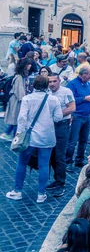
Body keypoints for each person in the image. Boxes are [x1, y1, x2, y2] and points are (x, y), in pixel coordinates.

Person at [5, 75, 63, 203]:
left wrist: (19, 133)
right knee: (43, 165)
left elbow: (22, 118)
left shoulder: (27, 99)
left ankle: (18, 191)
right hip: (47, 137)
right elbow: (58, 117)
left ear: (33, 85)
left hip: (29, 137)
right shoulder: (53, 100)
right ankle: (41, 194)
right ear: (46, 85)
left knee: (22, 163)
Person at [46, 73, 76, 197]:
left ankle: (61, 184)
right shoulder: (46, 92)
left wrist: (57, 115)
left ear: (59, 81)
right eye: (50, 82)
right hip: (48, 126)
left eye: (54, 81)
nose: (52, 84)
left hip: (61, 125)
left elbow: (72, 107)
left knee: (59, 155)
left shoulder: (66, 91)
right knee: (52, 155)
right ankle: (56, 179)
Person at [66, 67, 90, 171]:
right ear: (83, 74)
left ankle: (79, 160)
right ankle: (67, 161)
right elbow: (69, 100)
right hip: (77, 115)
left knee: (84, 140)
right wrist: (84, 98)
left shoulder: (88, 83)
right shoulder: (72, 84)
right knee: (72, 140)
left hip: (87, 116)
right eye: (89, 74)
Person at [1, 58, 31, 140]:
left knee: (16, 120)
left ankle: (10, 135)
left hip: (17, 101)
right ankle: (16, 139)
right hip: (16, 102)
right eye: (28, 64)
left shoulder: (20, 76)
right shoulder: (19, 77)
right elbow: (20, 93)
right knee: (16, 121)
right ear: (25, 66)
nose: (30, 66)